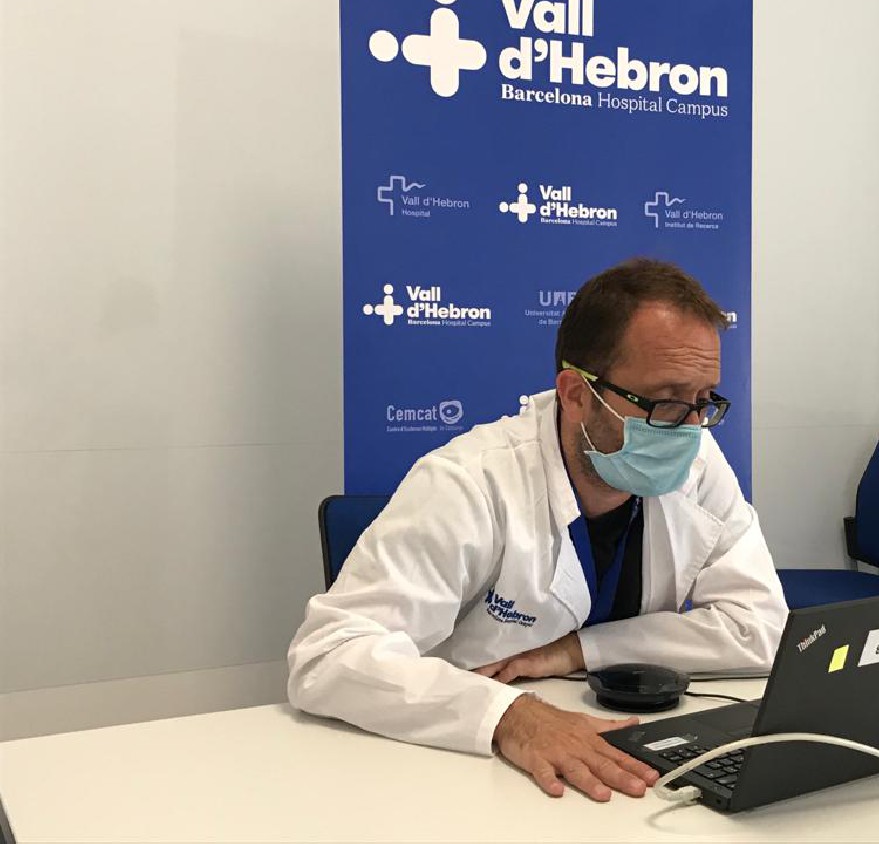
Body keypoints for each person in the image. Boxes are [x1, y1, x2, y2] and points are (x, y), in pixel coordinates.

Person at [287, 258, 787, 802]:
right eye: (665, 402)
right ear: (576, 394)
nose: (689, 429)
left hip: (617, 754)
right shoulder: (470, 481)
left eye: (703, 402)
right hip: (462, 769)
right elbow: (327, 656)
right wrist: (510, 716)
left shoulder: (698, 460)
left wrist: (579, 650)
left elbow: (760, 628)